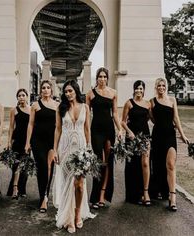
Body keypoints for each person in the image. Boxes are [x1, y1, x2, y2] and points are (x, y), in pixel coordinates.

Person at [52, 79, 95, 233]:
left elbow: (87, 129)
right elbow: (57, 129)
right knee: (67, 184)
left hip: (81, 149)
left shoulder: (85, 107)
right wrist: (55, 149)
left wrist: (89, 148)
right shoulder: (60, 108)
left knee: (80, 184)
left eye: (70, 91)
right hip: (65, 149)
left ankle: (78, 214)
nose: (68, 94)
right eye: (66, 92)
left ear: (76, 90)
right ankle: (69, 218)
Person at [150, 78, 189, 211]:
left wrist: (182, 135)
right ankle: (160, 190)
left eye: (163, 85)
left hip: (170, 136)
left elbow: (176, 118)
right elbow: (152, 119)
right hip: (157, 136)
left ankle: (172, 197)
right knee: (159, 164)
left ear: (166, 87)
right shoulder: (152, 102)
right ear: (156, 87)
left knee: (171, 165)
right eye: (159, 86)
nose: (161, 88)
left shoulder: (172, 100)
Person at [86, 67, 122, 209]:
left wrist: (120, 130)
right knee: (98, 161)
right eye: (100, 76)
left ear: (107, 78)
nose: (102, 79)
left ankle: (102, 196)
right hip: (96, 130)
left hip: (109, 130)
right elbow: (88, 116)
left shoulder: (113, 93)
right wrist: (87, 133)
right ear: (97, 78)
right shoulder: (90, 94)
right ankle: (94, 197)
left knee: (107, 162)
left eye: (104, 76)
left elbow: (115, 114)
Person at [25, 80, 58, 212]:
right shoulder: (35, 105)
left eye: (48, 88)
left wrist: (57, 145)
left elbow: (58, 127)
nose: (45, 90)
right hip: (37, 141)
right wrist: (27, 142)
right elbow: (31, 124)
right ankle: (42, 198)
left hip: (51, 141)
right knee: (42, 167)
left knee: (50, 168)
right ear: (40, 90)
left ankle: (45, 194)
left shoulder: (57, 105)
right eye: (43, 88)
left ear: (51, 90)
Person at [121, 80, 151, 205]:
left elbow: (150, 118)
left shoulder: (148, 104)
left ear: (144, 90)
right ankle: (132, 196)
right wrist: (129, 131)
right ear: (134, 89)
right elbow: (122, 121)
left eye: (141, 88)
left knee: (144, 163)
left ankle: (144, 193)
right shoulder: (129, 103)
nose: (139, 91)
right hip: (132, 138)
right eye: (137, 88)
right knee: (132, 165)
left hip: (144, 136)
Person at [6, 89, 30, 199]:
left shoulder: (31, 110)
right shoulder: (14, 110)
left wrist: (30, 142)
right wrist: (9, 141)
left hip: (27, 141)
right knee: (16, 166)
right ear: (17, 97)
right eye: (19, 95)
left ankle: (22, 189)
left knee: (24, 167)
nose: (21, 97)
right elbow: (11, 127)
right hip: (17, 141)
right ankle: (15, 189)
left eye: (23, 95)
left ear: (27, 97)